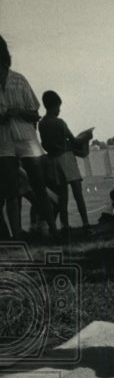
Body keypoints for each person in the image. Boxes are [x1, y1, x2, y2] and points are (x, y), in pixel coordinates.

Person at [0, 34, 57, 238]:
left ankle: (52, 228)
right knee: (11, 191)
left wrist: (17, 112)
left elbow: (35, 113)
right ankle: (16, 235)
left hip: (26, 139)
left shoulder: (19, 79)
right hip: (4, 141)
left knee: (39, 186)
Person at [38, 90, 92, 233]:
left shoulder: (41, 124)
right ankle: (86, 223)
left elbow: (44, 144)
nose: (59, 110)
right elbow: (75, 140)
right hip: (67, 157)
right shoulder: (59, 122)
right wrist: (87, 136)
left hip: (53, 160)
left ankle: (65, 226)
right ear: (55, 105)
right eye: (59, 107)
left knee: (63, 197)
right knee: (78, 193)